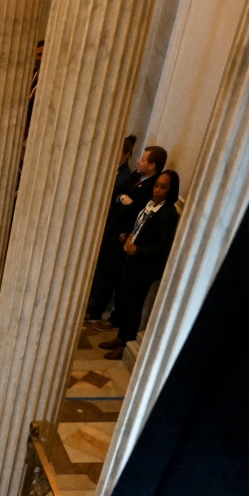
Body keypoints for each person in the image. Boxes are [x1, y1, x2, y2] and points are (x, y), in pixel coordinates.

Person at [86, 145, 166, 324]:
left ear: (152, 165)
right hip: (113, 228)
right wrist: (122, 199)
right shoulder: (136, 176)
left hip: (124, 235)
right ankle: (92, 304)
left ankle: (97, 309)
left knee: (110, 273)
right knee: (101, 267)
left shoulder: (150, 187)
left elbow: (131, 212)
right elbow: (115, 193)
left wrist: (121, 205)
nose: (139, 161)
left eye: (144, 159)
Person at [111, 168, 182, 358]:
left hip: (144, 268)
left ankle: (126, 343)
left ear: (170, 190)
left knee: (134, 306)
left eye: (163, 187)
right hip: (132, 261)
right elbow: (140, 228)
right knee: (125, 301)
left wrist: (138, 250)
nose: (157, 190)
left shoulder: (167, 214)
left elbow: (163, 248)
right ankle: (120, 336)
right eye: (157, 185)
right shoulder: (149, 206)